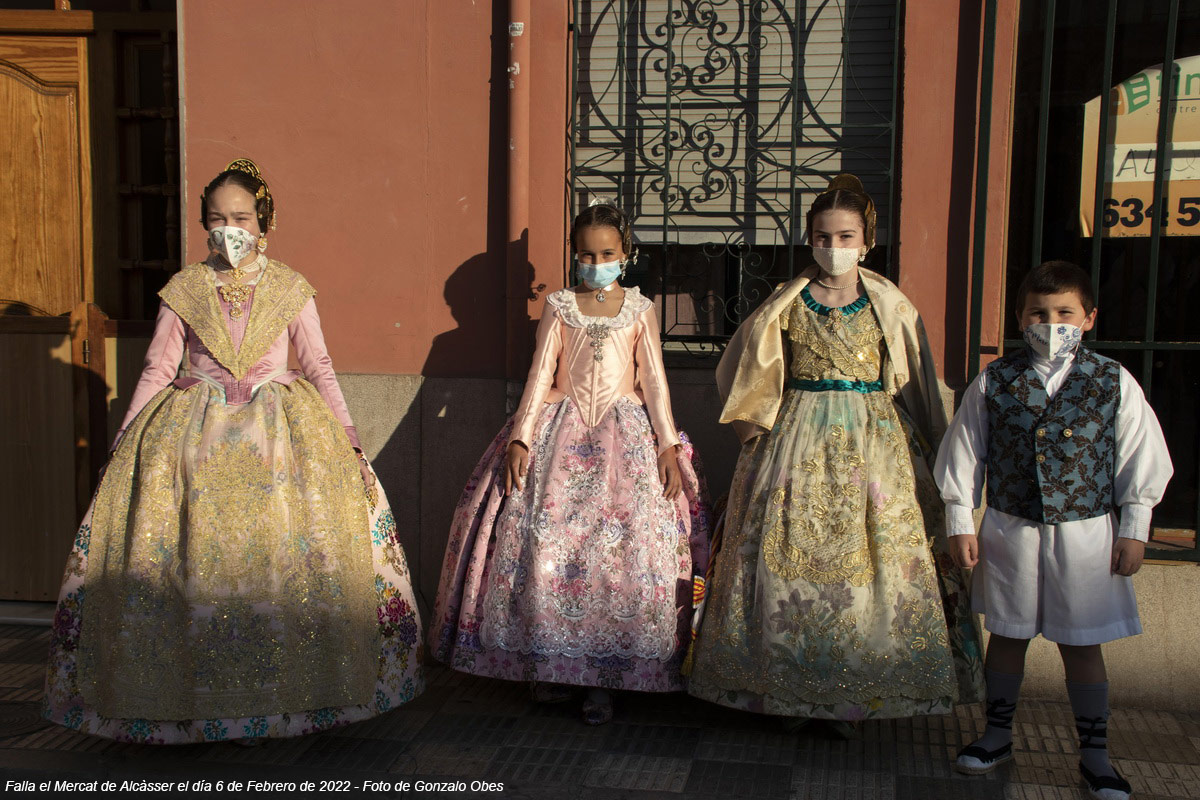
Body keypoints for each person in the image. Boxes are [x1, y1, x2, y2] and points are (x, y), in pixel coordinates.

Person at [42, 159, 424, 743]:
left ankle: (289, 694)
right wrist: (124, 444)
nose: (230, 229)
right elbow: (158, 368)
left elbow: (318, 364)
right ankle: (191, 700)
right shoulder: (186, 288)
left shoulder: (290, 286)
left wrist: (349, 440)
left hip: (282, 440)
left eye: (241, 217)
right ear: (204, 224)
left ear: (263, 222)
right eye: (218, 219)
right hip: (192, 438)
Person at [688, 174, 984, 729]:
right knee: (785, 560)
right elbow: (744, 365)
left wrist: (934, 449)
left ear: (866, 240)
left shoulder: (890, 303)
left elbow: (918, 378)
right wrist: (755, 428)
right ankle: (787, 687)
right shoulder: (786, 301)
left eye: (846, 237)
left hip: (875, 445)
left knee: (873, 563)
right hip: (794, 440)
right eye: (823, 237)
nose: (834, 247)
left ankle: (858, 690)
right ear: (810, 239)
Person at [429, 202, 710, 725]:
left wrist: (667, 445)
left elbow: (653, 381)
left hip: (625, 439)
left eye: (606, 253)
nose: (596, 263)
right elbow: (540, 374)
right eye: (586, 254)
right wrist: (521, 437)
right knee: (548, 545)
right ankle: (552, 664)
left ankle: (605, 677)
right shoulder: (559, 307)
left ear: (625, 254)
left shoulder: (639, 309)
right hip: (559, 433)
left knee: (618, 552)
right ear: (574, 254)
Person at [934, 260, 1172, 800]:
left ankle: (1096, 756)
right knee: (1008, 634)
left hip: (1086, 534)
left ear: (1089, 318)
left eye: (1065, 312)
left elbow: (1141, 456)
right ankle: (996, 736)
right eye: (1038, 313)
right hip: (1012, 527)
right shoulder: (995, 380)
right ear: (1020, 319)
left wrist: (1135, 528)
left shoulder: (1113, 380)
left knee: (1082, 644)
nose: (1051, 323)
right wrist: (959, 520)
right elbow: (965, 452)